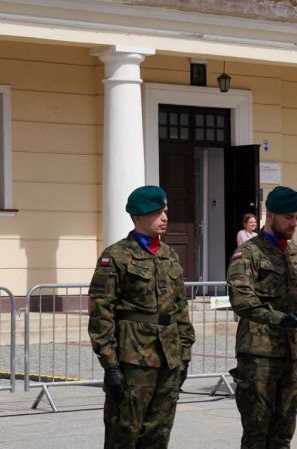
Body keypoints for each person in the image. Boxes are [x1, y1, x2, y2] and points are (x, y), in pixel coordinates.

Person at [87, 185, 196, 449]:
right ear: (137, 217)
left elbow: (180, 308)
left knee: (158, 432)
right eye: (157, 212)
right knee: (123, 431)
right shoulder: (116, 256)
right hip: (133, 360)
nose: (164, 217)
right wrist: (111, 365)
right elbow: (101, 311)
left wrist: (184, 355)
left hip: (167, 359)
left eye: (165, 211)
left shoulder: (170, 255)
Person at [227, 186, 297, 449]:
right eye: (288, 217)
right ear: (270, 215)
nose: (294, 223)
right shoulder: (249, 254)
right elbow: (242, 300)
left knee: (283, 434)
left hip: (294, 356)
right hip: (259, 357)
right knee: (257, 434)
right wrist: (280, 318)